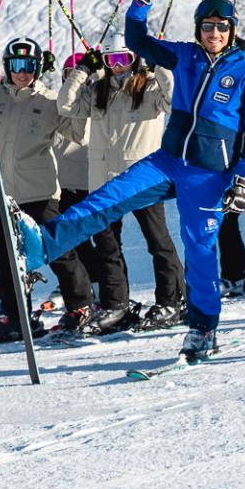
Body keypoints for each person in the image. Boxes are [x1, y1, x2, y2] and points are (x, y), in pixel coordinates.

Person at [11, 0, 245, 363]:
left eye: (221, 26)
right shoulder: (185, 55)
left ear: (232, 30)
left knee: (199, 251)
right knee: (108, 197)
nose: (214, 33)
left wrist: (243, 179)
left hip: (208, 174)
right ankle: (42, 246)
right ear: (198, 29)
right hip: (168, 160)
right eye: (207, 26)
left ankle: (203, 329)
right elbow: (137, 39)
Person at [54, 48, 166, 333]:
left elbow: (175, 99)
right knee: (107, 247)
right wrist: (82, 70)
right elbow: (66, 105)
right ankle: (116, 305)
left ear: (134, 60)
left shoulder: (150, 87)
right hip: (104, 182)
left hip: (142, 180)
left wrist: (160, 65)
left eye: (123, 59)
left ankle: (171, 300)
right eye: (110, 60)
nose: (117, 66)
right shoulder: (99, 91)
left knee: (158, 242)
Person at [0, 39, 68, 345]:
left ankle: (80, 305)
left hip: (38, 191)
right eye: (16, 66)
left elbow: (77, 132)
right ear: (7, 67)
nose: (22, 73)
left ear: (38, 68)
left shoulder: (49, 100)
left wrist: (75, 95)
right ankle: (15, 315)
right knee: (5, 257)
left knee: (57, 249)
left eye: (29, 66)